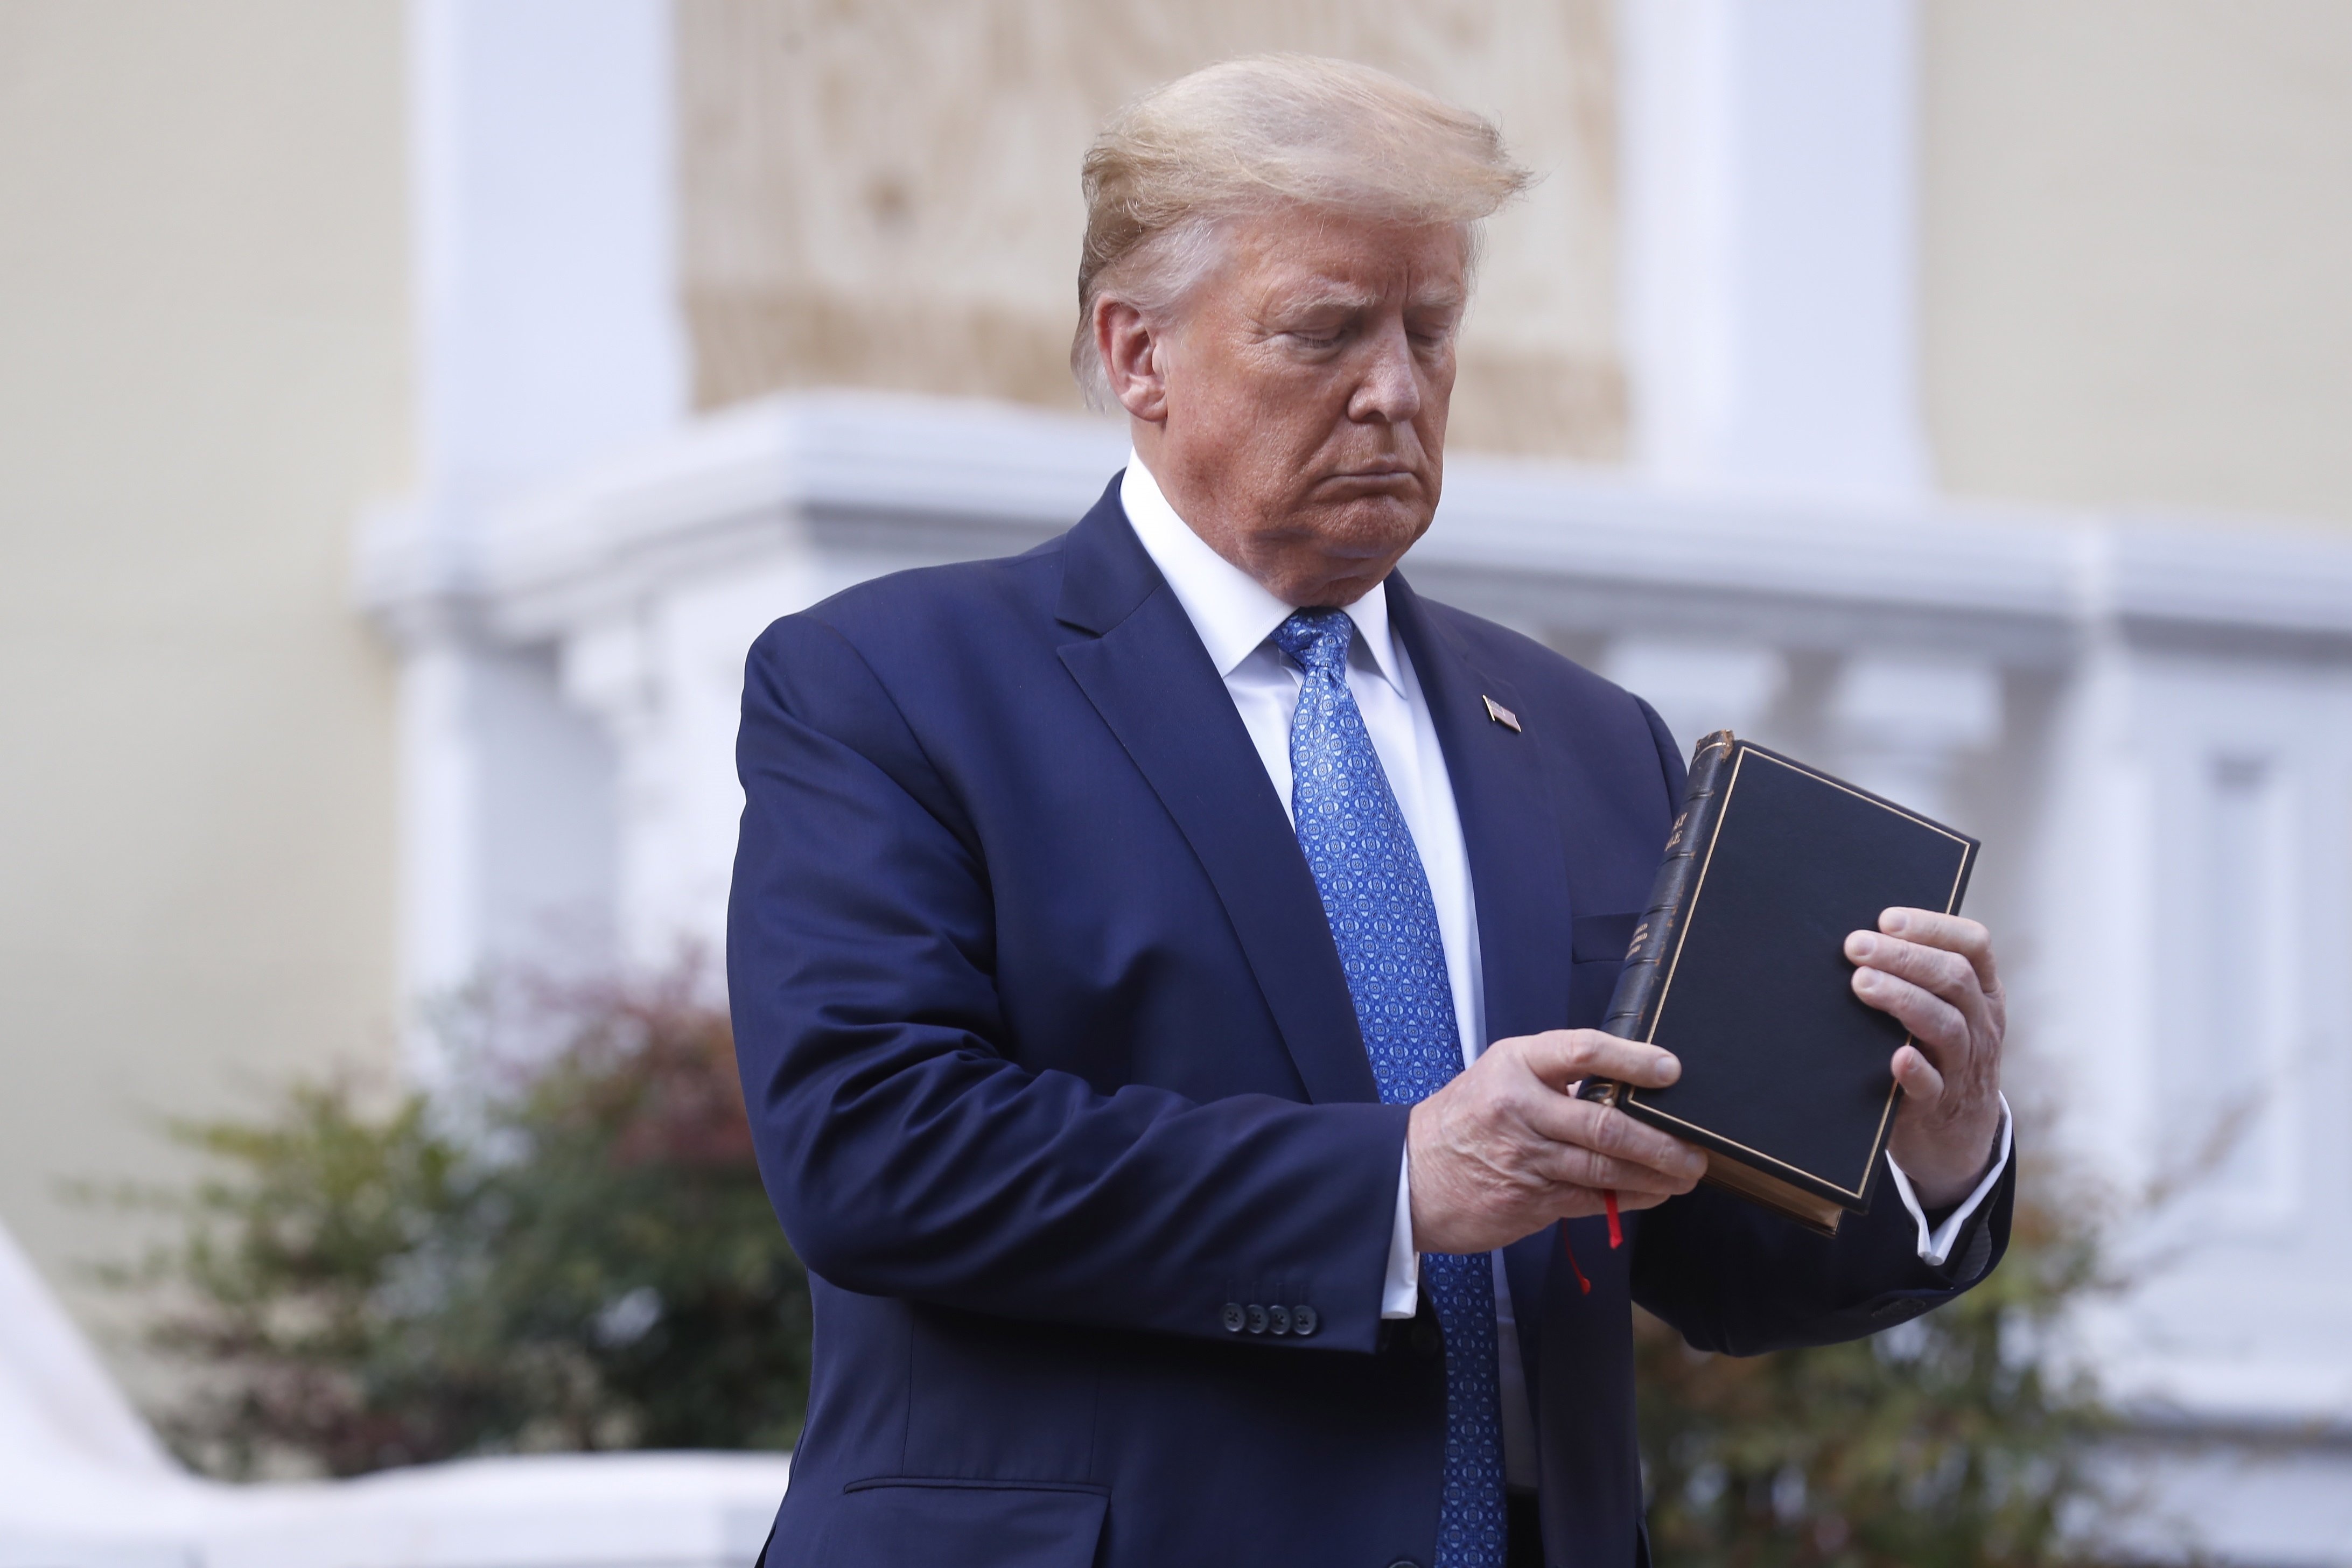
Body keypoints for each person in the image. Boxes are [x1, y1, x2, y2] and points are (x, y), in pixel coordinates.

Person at [727, 55, 2014, 1568]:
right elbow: (875, 1153)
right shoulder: (894, 684)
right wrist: (1393, 1186)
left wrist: (1934, 1149)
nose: (1396, 387)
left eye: (1431, 328)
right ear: (1138, 354)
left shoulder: (1593, 742)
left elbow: (1705, 1258)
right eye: (1325, 332)